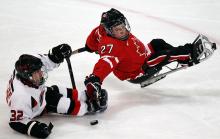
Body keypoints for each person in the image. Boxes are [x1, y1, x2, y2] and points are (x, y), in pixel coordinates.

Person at [83, 8, 202, 99]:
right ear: (109, 30)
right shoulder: (112, 47)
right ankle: (189, 53)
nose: (122, 31)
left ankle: (182, 58)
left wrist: (90, 46)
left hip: (143, 53)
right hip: (139, 70)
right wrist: (96, 78)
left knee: (157, 42)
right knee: (164, 55)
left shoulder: (102, 30)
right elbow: (105, 63)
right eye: (117, 29)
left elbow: (94, 36)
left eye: (123, 26)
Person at [5, 44, 108, 138]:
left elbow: (48, 60)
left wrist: (56, 54)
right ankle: (90, 107)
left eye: (40, 70)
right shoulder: (21, 96)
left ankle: (85, 95)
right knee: (58, 102)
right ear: (27, 76)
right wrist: (33, 129)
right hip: (37, 108)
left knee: (55, 90)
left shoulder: (29, 66)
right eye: (37, 72)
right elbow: (16, 122)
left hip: (40, 93)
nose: (41, 73)